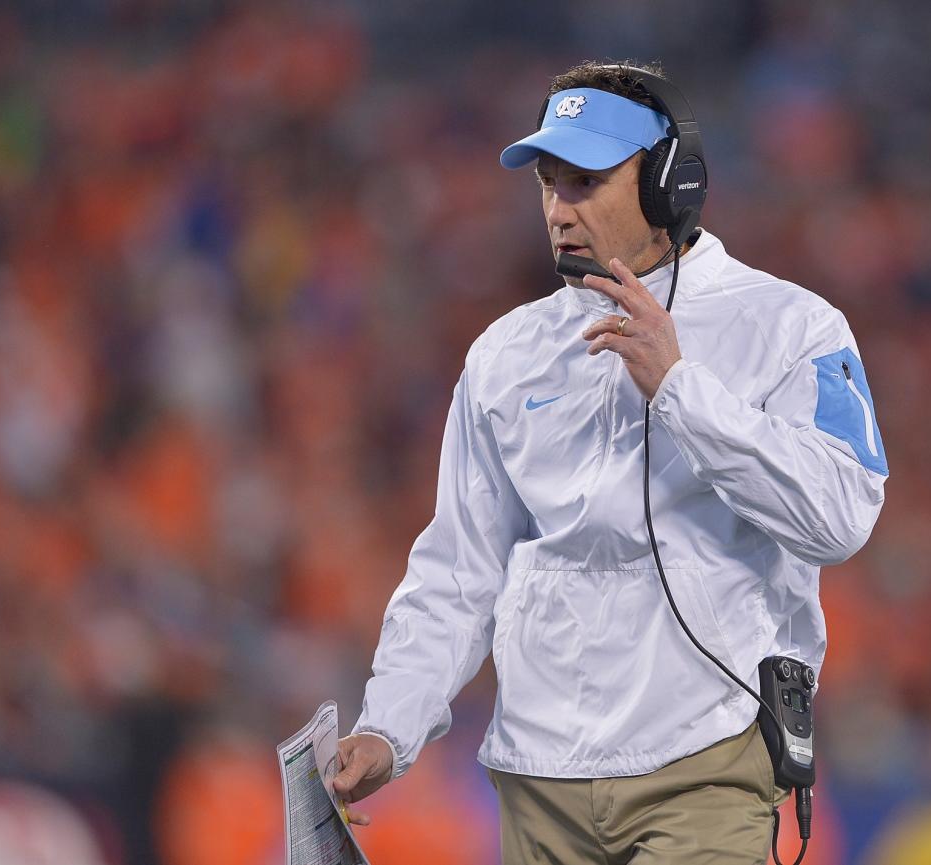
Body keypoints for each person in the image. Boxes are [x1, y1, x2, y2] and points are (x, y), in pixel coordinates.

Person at [332, 60, 888, 864]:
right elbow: (457, 571)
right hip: (538, 775)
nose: (559, 208)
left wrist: (680, 387)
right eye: (549, 184)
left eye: (586, 181)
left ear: (669, 184)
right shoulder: (505, 354)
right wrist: (390, 722)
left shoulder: (792, 326)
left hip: (707, 760)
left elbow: (840, 515)